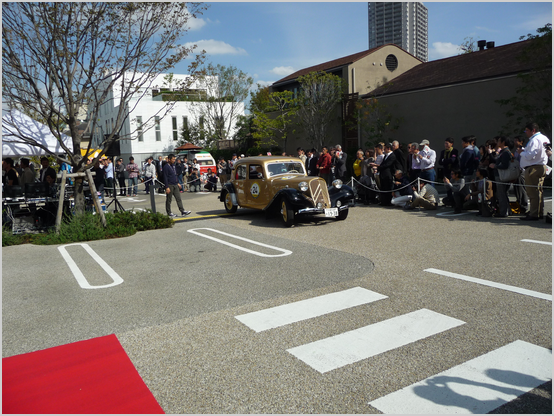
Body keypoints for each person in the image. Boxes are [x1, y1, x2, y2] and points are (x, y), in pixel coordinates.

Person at [517, 122, 550, 220]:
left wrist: (521, 152)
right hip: (541, 166)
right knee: (538, 191)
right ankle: (538, 211)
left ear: (533, 130)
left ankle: (534, 213)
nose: (525, 132)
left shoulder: (535, 140)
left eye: (527, 130)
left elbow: (531, 155)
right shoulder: (544, 138)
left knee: (532, 192)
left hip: (534, 168)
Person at [489, 137, 513, 217]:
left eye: (499, 141)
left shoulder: (506, 152)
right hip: (500, 175)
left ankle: (503, 212)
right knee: (502, 194)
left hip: (502, 176)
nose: (498, 142)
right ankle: (507, 211)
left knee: (501, 194)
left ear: (503, 142)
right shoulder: (503, 152)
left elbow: (505, 165)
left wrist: (495, 166)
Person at [163, 153, 191, 218]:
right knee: (169, 199)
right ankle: (169, 212)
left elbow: (175, 175)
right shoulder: (166, 167)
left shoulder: (173, 166)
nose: (174, 160)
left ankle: (182, 211)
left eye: (174, 159)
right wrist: (166, 187)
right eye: (173, 159)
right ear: (169, 159)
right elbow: (165, 178)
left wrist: (178, 182)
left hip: (175, 184)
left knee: (178, 198)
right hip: (170, 185)